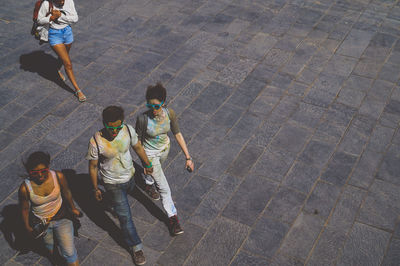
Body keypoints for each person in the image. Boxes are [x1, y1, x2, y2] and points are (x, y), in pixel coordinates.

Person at [87, 106, 153, 265]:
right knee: (125, 217)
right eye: (111, 128)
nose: (115, 131)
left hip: (130, 177)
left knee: (123, 199)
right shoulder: (96, 141)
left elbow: (137, 147)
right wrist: (95, 188)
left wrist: (147, 163)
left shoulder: (128, 130)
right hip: (112, 183)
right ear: (104, 123)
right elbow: (93, 167)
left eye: (118, 127)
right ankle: (136, 247)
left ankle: (110, 203)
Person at [135, 83, 194, 236]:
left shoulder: (170, 114)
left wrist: (188, 157)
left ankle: (148, 183)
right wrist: (146, 162)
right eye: (149, 105)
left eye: (156, 105)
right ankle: (172, 218)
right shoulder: (142, 119)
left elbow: (177, 134)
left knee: (153, 175)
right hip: (149, 155)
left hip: (164, 150)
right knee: (164, 188)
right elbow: (138, 143)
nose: (152, 109)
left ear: (163, 103)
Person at [19, 151, 81, 266]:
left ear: (48, 167)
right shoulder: (25, 188)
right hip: (41, 223)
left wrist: (73, 208)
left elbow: (67, 192)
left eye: (43, 171)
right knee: (50, 249)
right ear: (29, 172)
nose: (40, 175)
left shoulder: (58, 177)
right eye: (35, 173)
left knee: (69, 251)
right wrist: (27, 227)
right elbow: (24, 209)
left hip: (62, 217)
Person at [37, 0, 86, 102]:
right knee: (68, 63)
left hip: (67, 32)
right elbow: (39, 20)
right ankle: (78, 90)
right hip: (54, 34)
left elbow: (75, 18)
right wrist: (51, 18)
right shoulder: (46, 4)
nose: (63, 2)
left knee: (64, 57)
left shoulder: (69, 1)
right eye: (60, 1)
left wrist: (60, 17)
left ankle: (56, 69)